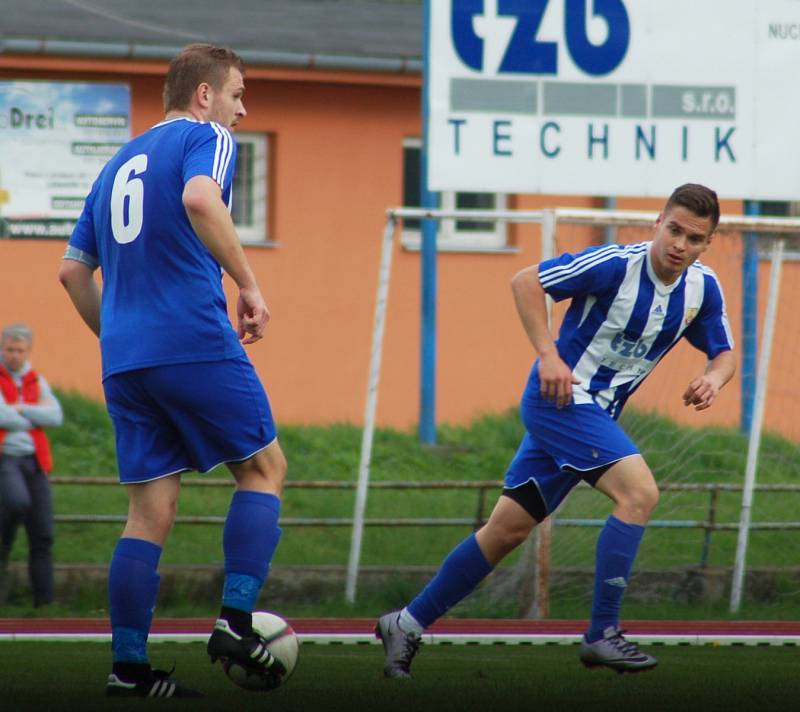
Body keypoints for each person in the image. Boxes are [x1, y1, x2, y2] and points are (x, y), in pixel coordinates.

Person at [376, 183, 736, 677]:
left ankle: (406, 622)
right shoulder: (615, 264)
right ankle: (602, 634)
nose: (680, 244)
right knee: (640, 494)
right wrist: (549, 356)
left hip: (593, 416)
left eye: (694, 239)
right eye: (673, 230)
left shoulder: (701, 288)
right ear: (657, 222)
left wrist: (713, 379)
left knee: (506, 531)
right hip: (560, 402)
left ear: (706, 244)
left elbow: (725, 352)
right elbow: (526, 281)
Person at [58, 44, 287, 698]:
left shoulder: (113, 166)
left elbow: (72, 272)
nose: (243, 111)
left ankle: (129, 669)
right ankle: (238, 621)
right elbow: (199, 197)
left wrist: (122, 336)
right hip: (190, 335)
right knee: (264, 469)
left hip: (125, 361)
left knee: (149, 510)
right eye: (238, 94)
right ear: (204, 94)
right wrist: (248, 283)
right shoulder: (205, 136)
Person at [0, 323, 63, 607]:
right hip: (6, 457)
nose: (14, 355)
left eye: (20, 350)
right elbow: (3, 418)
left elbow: (56, 417)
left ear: (28, 351)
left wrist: (22, 408)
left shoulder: (35, 379)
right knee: (17, 503)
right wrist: (34, 416)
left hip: (35, 461)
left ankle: (45, 603)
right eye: (10, 349)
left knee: (43, 534)